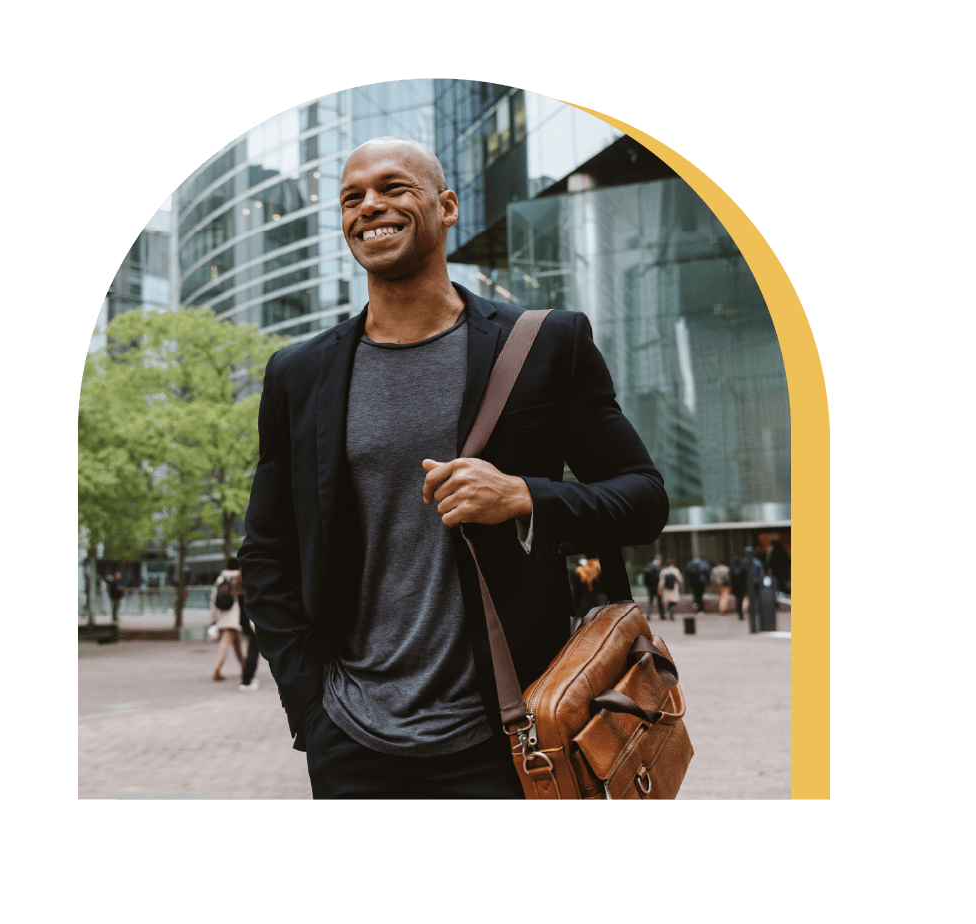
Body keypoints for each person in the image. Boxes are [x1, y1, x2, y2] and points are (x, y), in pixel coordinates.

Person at [239, 137, 668, 799]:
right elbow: (267, 552)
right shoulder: (299, 374)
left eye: (392, 187)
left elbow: (644, 499)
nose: (369, 206)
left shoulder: (545, 345)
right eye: (352, 197)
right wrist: (310, 708)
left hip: (509, 731)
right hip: (351, 739)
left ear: (446, 207)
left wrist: (525, 496)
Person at [210, 558, 247, 682]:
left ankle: (245, 668)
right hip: (236, 616)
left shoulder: (221, 579)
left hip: (224, 614)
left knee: (237, 644)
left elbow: (213, 599)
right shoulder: (240, 578)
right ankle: (217, 669)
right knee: (226, 643)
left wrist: (214, 618)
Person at [236, 554, 260, 691]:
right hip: (252, 620)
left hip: (244, 620)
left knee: (252, 647)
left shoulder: (239, 580)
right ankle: (246, 680)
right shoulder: (252, 581)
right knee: (253, 649)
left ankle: (247, 678)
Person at [572, 556, 607, 622]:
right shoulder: (596, 569)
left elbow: (577, 592)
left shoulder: (580, 571)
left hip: (589, 600)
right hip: (595, 599)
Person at [641, 555, 663, 620]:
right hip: (657, 586)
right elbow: (659, 577)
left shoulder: (649, 566)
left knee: (650, 601)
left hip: (650, 587)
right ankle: (662, 615)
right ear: (658, 559)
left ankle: (648, 614)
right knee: (659, 601)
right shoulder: (657, 567)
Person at [730, 554, 750, 621]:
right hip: (742, 586)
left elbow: (731, 578)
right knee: (741, 599)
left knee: (738, 599)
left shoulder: (732, 567)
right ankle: (741, 612)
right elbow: (746, 577)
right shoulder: (742, 567)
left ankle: (739, 611)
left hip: (735, 586)